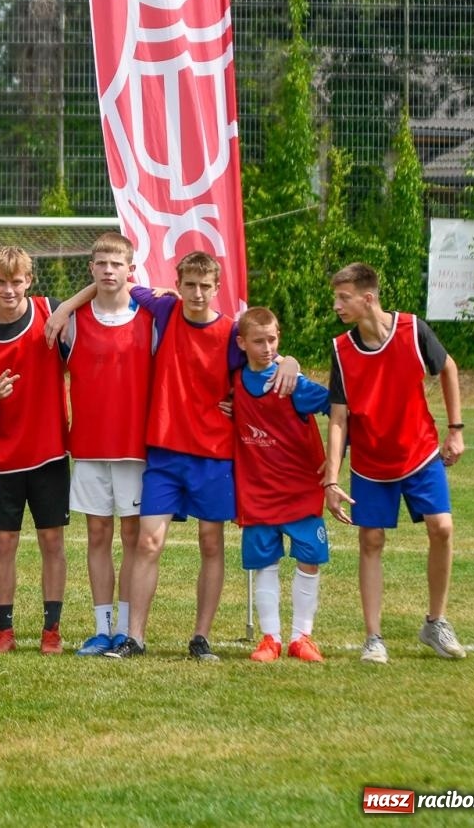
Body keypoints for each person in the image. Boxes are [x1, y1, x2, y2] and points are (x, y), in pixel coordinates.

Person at [59, 250, 297, 660]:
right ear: (179, 284)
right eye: (190, 285)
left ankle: (200, 637)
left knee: (210, 541)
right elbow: (114, 281)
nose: (198, 293)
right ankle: (134, 637)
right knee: (148, 542)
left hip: (214, 453)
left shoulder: (231, 333)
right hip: (165, 453)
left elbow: (262, 358)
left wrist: (288, 360)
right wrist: (64, 306)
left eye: (206, 286)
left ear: (217, 289)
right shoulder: (165, 310)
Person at [325, 262, 466, 664]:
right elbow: (339, 418)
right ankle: (374, 637)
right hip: (371, 462)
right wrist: (331, 479)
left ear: (368, 298)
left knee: (442, 527)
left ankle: (435, 623)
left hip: (420, 453)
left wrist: (455, 430)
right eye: (337, 297)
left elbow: (449, 368)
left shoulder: (413, 329)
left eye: (344, 297)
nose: (337, 305)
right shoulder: (342, 349)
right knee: (371, 542)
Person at [0, 246, 70, 654]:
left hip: (49, 453)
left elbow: (101, 295)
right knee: (4, 544)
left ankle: (52, 630)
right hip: (2, 458)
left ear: (29, 281)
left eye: (16, 281)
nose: (9, 289)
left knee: (52, 541)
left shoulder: (52, 313)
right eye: (1, 281)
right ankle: (4, 631)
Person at [63, 233, 152, 656]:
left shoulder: (151, 318)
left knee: (133, 538)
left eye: (117, 264)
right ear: (91, 269)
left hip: (136, 449)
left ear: (130, 270)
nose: (109, 270)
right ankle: (102, 628)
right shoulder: (72, 321)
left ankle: (127, 629)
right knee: (97, 536)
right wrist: (66, 305)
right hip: (89, 448)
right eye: (101, 263)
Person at [232, 307, 333, 663]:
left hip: (301, 490)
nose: (266, 348)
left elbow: (340, 404)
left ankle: (301, 637)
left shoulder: (293, 384)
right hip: (258, 493)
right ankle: (270, 638)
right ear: (241, 343)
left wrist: (334, 460)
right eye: (258, 341)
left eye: (273, 340)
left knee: (309, 561)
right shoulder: (233, 381)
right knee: (265, 563)